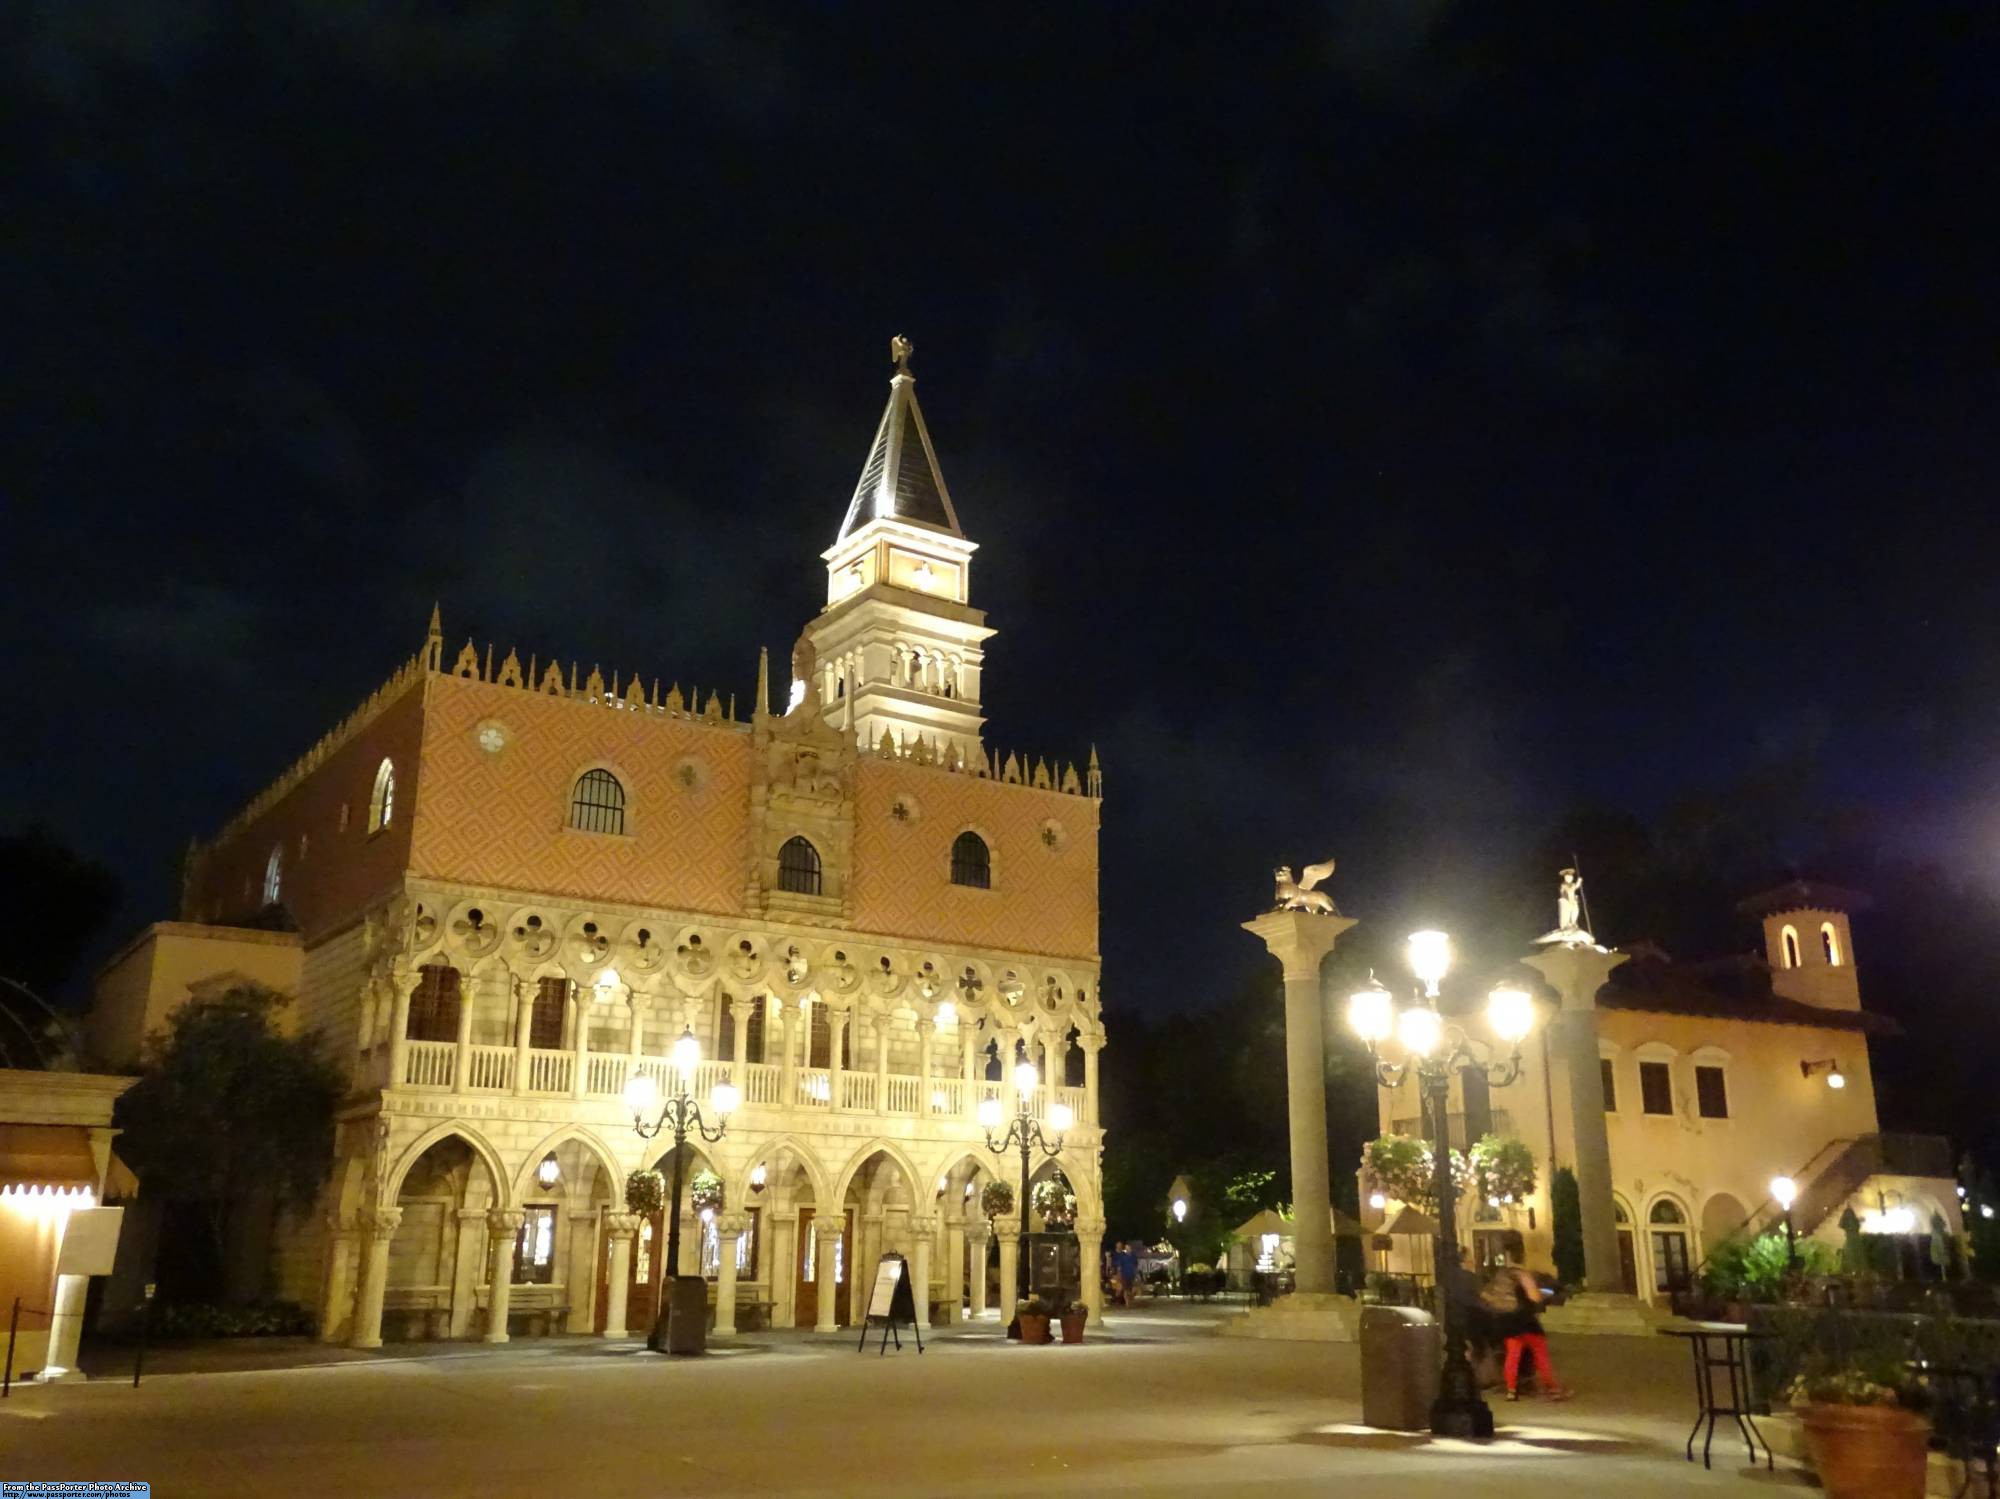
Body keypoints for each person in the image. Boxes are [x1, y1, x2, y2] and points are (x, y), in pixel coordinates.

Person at [1492, 1245, 1569, 1401]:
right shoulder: (1522, 1274)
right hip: (1525, 1320)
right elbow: (1534, 1297)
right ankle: (1552, 1388)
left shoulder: (1503, 1275)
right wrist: (1542, 1295)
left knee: (1512, 1356)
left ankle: (1511, 1390)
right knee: (1540, 1354)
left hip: (1509, 1321)